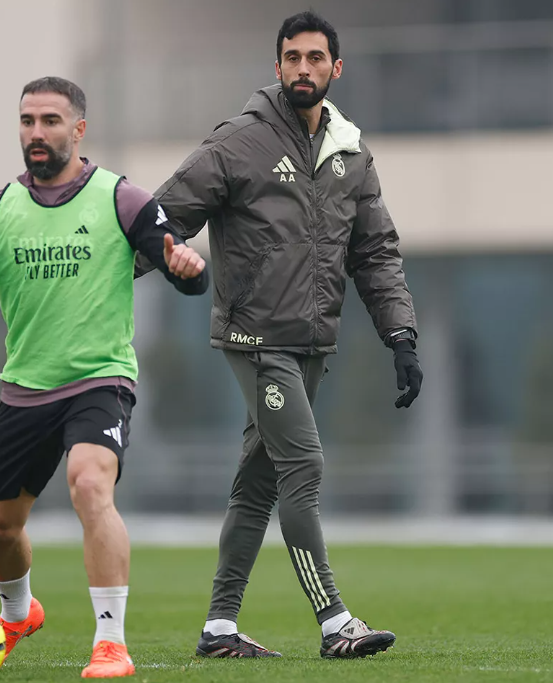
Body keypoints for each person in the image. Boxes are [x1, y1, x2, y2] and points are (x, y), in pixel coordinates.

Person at [0, 76, 208, 679]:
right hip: (25, 390)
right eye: (27, 121)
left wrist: (187, 269)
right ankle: (18, 611)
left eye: (50, 121)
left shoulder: (122, 199)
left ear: (78, 129)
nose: (36, 133)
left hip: (100, 379)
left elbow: (183, 271)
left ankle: (111, 643)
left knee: (89, 484)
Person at [144, 10, 423, 660]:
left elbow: (376, 251)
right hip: (255, 338)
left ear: (335, 68)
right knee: (305, 467)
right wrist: (118, 277)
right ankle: (333, 621)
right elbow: (160, 218)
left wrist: (401, 334)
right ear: (277, 67)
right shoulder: (239, 142)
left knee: (259, 484)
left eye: (315, 58)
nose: (303, 68)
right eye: (292, 57)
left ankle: (218, 629)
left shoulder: (351, 149)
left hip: (312, 342)